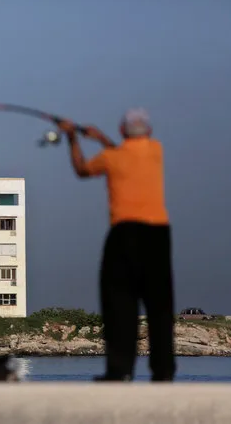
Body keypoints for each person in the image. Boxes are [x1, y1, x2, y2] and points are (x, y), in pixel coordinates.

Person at [57, 108, 176, 382]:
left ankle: (119, 369)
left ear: (122, 131)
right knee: (160, 305)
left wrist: (72, 138)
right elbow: (125, 153)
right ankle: (164, 372)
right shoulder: (156, 151)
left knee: (119, 302)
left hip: (124, 233)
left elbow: (82, 170)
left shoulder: (111, 158)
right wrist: (99, 136)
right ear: (149, 132)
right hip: (158, 234)